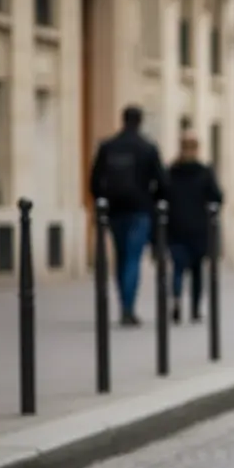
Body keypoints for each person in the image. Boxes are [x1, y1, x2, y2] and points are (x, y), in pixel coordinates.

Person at [89, 105, 167, 327]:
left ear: (122, 120)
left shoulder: (108, 146)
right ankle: (128, 308)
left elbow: (94, 181)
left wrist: (102, 201)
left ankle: (124, 302)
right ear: (140, 121)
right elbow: (161, 182)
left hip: (114, 210)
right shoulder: (148, 148)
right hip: (140, 209)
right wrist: (155, 202)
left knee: (121, 256)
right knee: (133, 258)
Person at [163, 133, 223, 324]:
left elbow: (161, 194)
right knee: (197, 270)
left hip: (176, 226)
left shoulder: (172, 171)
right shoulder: (204, 172)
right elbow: (217, 197)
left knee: (178, 268)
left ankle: (177, 300)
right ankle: (195, 308)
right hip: (198, 227)